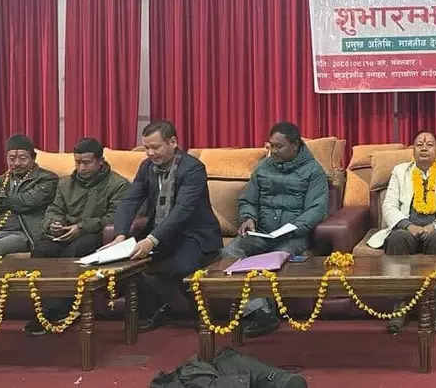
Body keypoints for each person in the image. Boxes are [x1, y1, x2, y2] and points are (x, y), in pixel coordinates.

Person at [101, 121, 222, 332]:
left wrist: (151, 240)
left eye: (155, 147)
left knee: (183, 268)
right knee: (132, 265)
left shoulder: (192, 168)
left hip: (193, 234)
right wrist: (120, 235)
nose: (150, 153)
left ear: (172, 142)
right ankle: (154, 311)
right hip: (161, 232)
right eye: (146, 148)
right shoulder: (147, 167)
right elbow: (130, 201)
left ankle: (198, 315)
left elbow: (182, 210)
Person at [366, 130, 436, 334]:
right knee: (397, 239)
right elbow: (389, 205)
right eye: (419, 144)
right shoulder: (400, 172)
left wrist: (435, 225)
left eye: (429, 144)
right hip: (408, 227)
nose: (424, 148)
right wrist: (407, 225)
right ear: (413, 150)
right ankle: (400, 307)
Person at [221, 122, 328, 338]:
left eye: (279, 146)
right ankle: (260, 311)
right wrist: (248, 218)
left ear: (295, 145)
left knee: (273, 259)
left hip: (293, 236)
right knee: (228, 253)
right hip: (261, 232)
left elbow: (316, 209)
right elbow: (248, 200)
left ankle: (265, 313)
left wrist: (292, 228)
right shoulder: (262, 167)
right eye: (271, 146)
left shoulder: (314, 171)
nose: (274, 151)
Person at [23, 137, 129, 336]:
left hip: (95, 235)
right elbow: (54, 209)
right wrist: (53, 224)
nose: (81, 168)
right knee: (41, 250)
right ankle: (44, 309)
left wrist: (81, 226)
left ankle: (58, 311)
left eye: (86, 163)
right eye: (77, 162)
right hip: (66, 233)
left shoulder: (118, 184)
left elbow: (115, 218)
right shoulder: (65, 183)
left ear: (100, 161)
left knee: (76, 250)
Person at [0, 134, 59, 328]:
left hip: (22, 235)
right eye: (11, 158)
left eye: (22, 158)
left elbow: (30, 201)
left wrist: (7, 200)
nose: (16, 163)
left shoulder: (47, 179)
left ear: (33, 158)